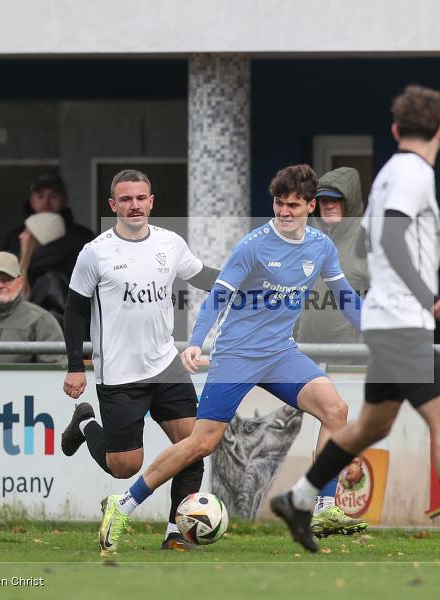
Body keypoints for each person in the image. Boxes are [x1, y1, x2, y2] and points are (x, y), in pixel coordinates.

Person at [269, 85, 440, 566]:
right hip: (402, 322)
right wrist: (426, 296)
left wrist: (436, 230)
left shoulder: (392, 171)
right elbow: (390, 239)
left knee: (373, 423)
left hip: (386, 322)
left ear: (395, 130)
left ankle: (299, 498)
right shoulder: (414, 172)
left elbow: (378, 233)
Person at [96, 164, 368, 551]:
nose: (284, 212)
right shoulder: (253, 245)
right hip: (236, 355)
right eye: (278, 204)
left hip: (280, 353)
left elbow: (345, 297)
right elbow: (218, 296)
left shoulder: (321, 246)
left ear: (310, 206)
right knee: (201, 443)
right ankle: (122, 506)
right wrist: (195, 342)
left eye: (293, 205)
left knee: (335, 410)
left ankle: (324, 506)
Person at [58, 169, 220, 552]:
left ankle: (176, 534)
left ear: (151, 201)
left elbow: (202, 277)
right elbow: (73, 312)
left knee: (194, 446)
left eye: (141, 198)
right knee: (125, 466)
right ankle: (85, 425)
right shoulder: (95, 252)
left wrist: (244, 281)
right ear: (113, 205)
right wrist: (73, 365)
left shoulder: (171, 243)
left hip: (166, 364)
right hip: (119, 374)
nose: (135, 205)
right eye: (126, 199)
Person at [295, 167, 369, 350]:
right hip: (307, 354)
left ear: (348, 202)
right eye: (324, 200)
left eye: (335, 200)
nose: (328, 206)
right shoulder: (311, 240)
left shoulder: (366, 238)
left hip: (349, 358)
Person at [0, 251, 66, 365]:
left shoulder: (41, 321)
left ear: (20, 282)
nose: (0, 285)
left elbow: (54, 373)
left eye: (7, 279)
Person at [3, 172, 94, 298]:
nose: (47, 202)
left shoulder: (82, 237)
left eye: (54, 196)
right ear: (32, 201)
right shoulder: (15, 237)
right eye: (40, 196)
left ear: (64, 200)